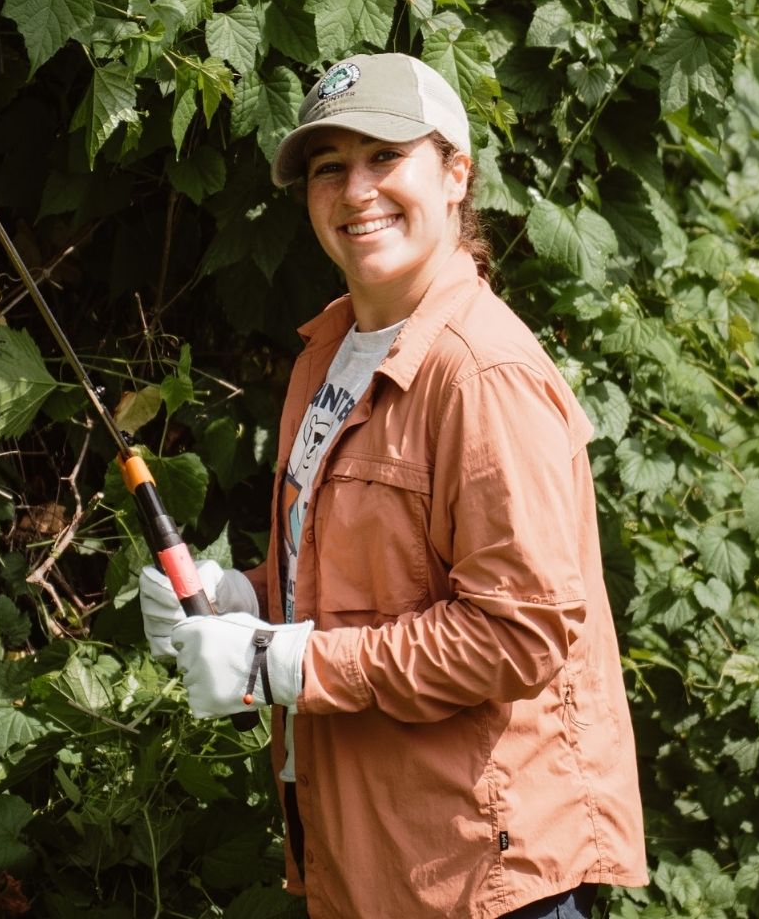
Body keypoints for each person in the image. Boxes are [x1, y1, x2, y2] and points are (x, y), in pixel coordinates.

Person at [140, 52, 648, 918]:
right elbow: (364, 587)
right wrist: (241, 600)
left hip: (483, 878)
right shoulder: (326, 358)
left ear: (455, 174)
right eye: (329, 168)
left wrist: (282, 662)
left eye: (384, 156)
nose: (355, 190)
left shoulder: (481, 374)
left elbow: (518, 634)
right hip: (368, 864)